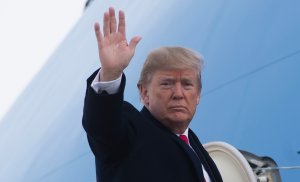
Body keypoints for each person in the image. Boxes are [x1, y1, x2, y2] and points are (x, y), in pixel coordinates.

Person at [82, 7, 223, 182]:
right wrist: (110, 73)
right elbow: (102, 126)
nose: (178, 94)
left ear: (198, 95)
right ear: (144, 92)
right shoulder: (129, 133)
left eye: (187, 84)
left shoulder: (193, 144)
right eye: (167, 84)